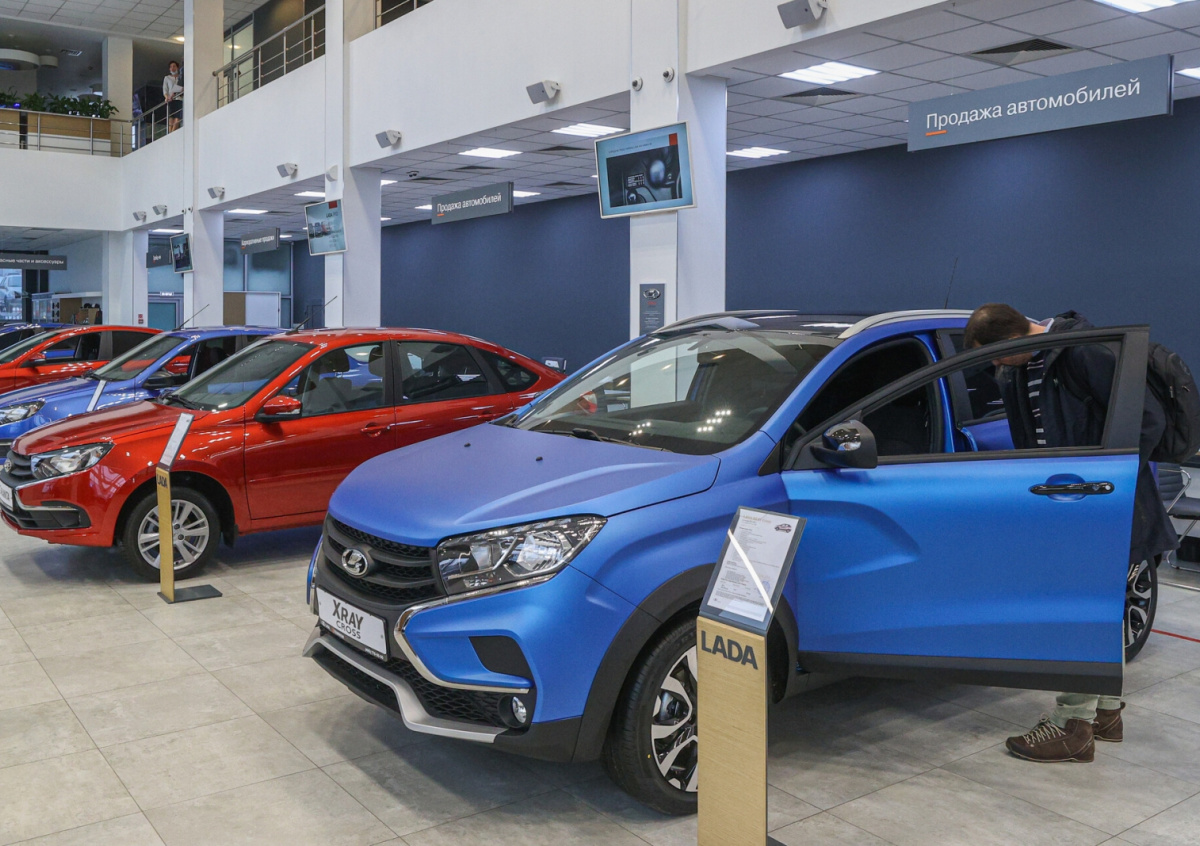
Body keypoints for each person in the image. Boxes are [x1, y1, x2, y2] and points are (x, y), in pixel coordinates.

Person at [964, 303, 1177, 764]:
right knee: (1098, 608)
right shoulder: (1020, 368)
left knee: (1075, 609)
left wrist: (1103, 482)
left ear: (1014, 339)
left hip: (1098, 504)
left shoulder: (1084, 352)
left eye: (997, 356)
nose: (997, 366)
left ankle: (1072, 725)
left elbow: (1148, 419)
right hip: (1062, 505)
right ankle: (1105, 713)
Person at [163, 61, 183, 133]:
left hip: (180, 99)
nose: (172, 68)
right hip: (171, 99)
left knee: (178, 117)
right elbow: (165, 90)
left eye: (174, 66)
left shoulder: (180, 77)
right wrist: (167, 97)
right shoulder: (167, 78)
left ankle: (173, 133)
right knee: (171, 118)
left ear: (177, 67)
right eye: (171, 67)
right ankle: (170, 133)